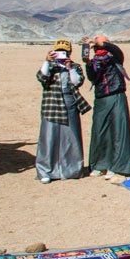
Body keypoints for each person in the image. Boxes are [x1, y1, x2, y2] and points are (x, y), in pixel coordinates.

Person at [81, 35, 130, 179]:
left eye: (101, 42)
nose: (98, 46)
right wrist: (88, 63)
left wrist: (102, 43)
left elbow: (115, 49)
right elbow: (92, 77)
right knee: (100, 132)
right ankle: (100, 165)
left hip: (116, 95)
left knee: (118, 131)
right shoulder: (95, 60)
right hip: (101, 98)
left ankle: (117, 166)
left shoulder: (115, 57)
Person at [35, 38, 89, 182]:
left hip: (69, 104)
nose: (61, 55)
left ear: (70, 52)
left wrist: (70, 67)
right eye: (58, 52)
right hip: (51, 105)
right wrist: (47, 61)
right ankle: (46, 171)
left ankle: (71, 170)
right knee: (48, 137)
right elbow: (41, 77)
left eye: (64, 52)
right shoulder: (49, 67)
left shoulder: (74, 66)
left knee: (70, 137)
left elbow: (77, 82)